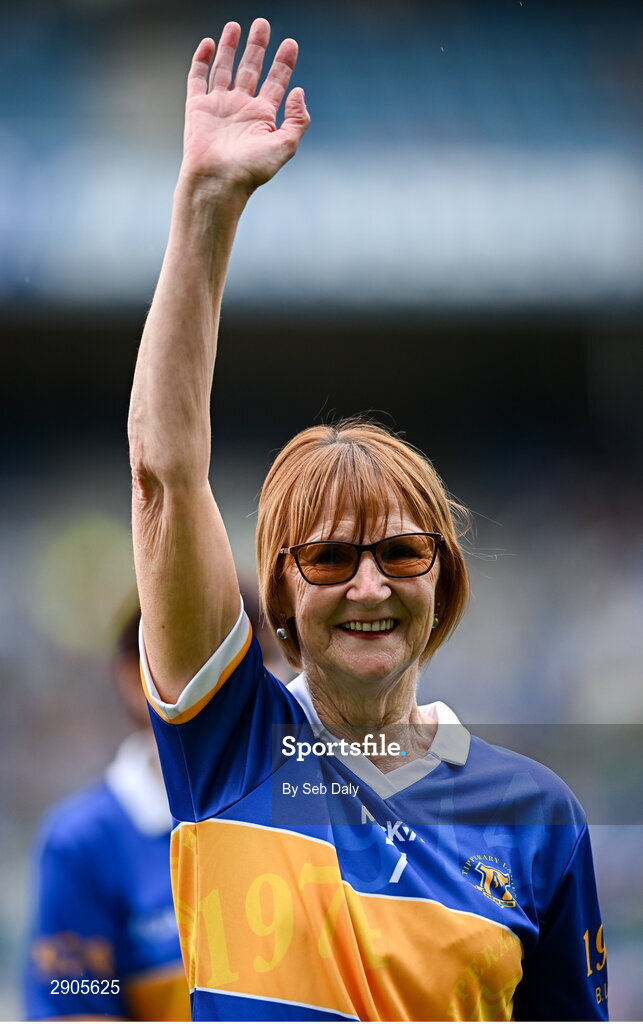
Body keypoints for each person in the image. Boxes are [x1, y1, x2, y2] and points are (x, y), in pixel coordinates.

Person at [128, 18, 608, 1022]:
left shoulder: (536, 817)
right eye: (331, 557)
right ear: (280, 594)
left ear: (445, 581)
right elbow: (166, 475)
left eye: (400, 551)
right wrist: (206, 206)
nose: (370, 585)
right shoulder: (234, 744)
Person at [23, 606, 191, 1021]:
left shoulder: (309, 810)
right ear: (136, 678)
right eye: (202, 664)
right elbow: (71, 1010)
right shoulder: (81, 844)